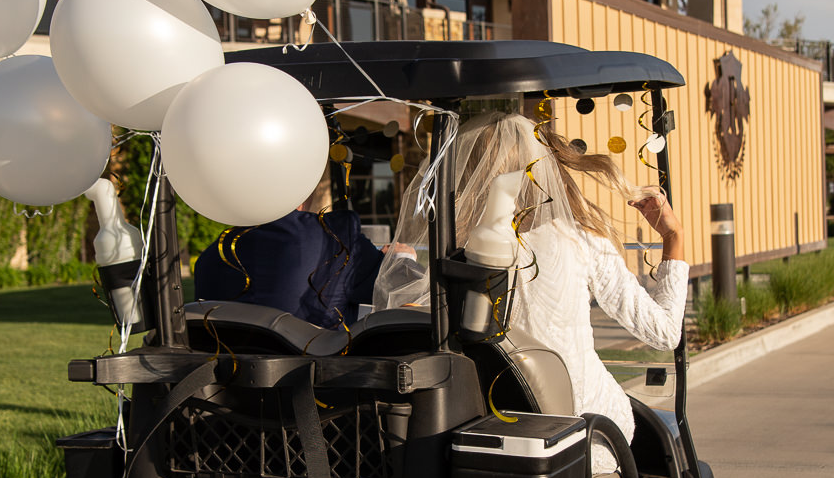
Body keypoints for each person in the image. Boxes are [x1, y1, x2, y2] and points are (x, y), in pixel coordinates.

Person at [373, 111, 688, 459]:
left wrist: (402, 263)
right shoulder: (580, 242)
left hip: (495, 429)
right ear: (542, 167)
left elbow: (409, 314)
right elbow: (664, 333)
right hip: (587, 428)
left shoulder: (460, 252)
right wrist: (673, 237)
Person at [193, 169, 383, 330]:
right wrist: (400, 257)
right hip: (319, 370)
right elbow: (389, 285)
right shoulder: (336, 238)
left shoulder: (210, 258)